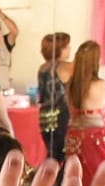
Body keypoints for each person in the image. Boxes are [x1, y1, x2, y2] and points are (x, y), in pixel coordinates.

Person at [64, 41, 105, 186]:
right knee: (104, 181)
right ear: (95, 62)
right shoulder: (100, 86)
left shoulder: (71, 85)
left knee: (80, 179)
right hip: (94, 138)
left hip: (74, 137)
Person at [38, 32, 73, 163]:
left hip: (44, 116)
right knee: (62, 155)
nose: (70, 49)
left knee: (53, 154)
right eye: (67, 46)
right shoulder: (65, 67)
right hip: (61, 115)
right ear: (59, 49)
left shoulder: (42, 68)